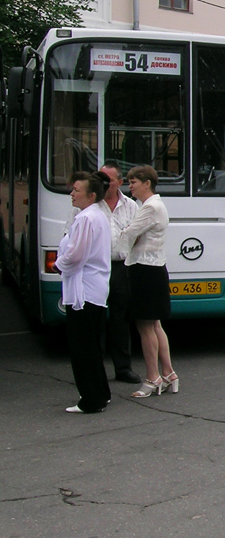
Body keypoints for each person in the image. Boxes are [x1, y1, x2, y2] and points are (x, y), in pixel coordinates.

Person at [119, 165, 179, 397]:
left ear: (147, 183)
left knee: (145, 325)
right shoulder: (155, 206)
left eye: (134, 182)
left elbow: (129, 233)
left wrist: (124, 237)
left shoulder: (150, 207)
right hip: (154, 267)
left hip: (144, 268)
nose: (130, 186)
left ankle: (152, 377)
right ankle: (169, 373)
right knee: (154, 324)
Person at [56, 171, 113, 414]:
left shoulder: (86, 218)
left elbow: (76, 255)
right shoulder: (96, 215)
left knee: (82, 348)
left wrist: (58, 264)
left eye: (76, 190)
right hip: (95, 290)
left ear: (91, 195)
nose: (72, 194)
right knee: (92, 346)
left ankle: (91, 399)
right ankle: (101, 392)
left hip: (84, 292)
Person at [99, 161, 141, 384]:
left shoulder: (132, 206)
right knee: (96, 320)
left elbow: (138, 237)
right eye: (101, 179)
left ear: (120, 182)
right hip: (96, 269)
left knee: (120, 319)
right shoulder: (90, 205)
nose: (104, 184)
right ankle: (96, 371)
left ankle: (123, 368)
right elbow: (69, 233)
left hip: (121, 267)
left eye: (109, 180)